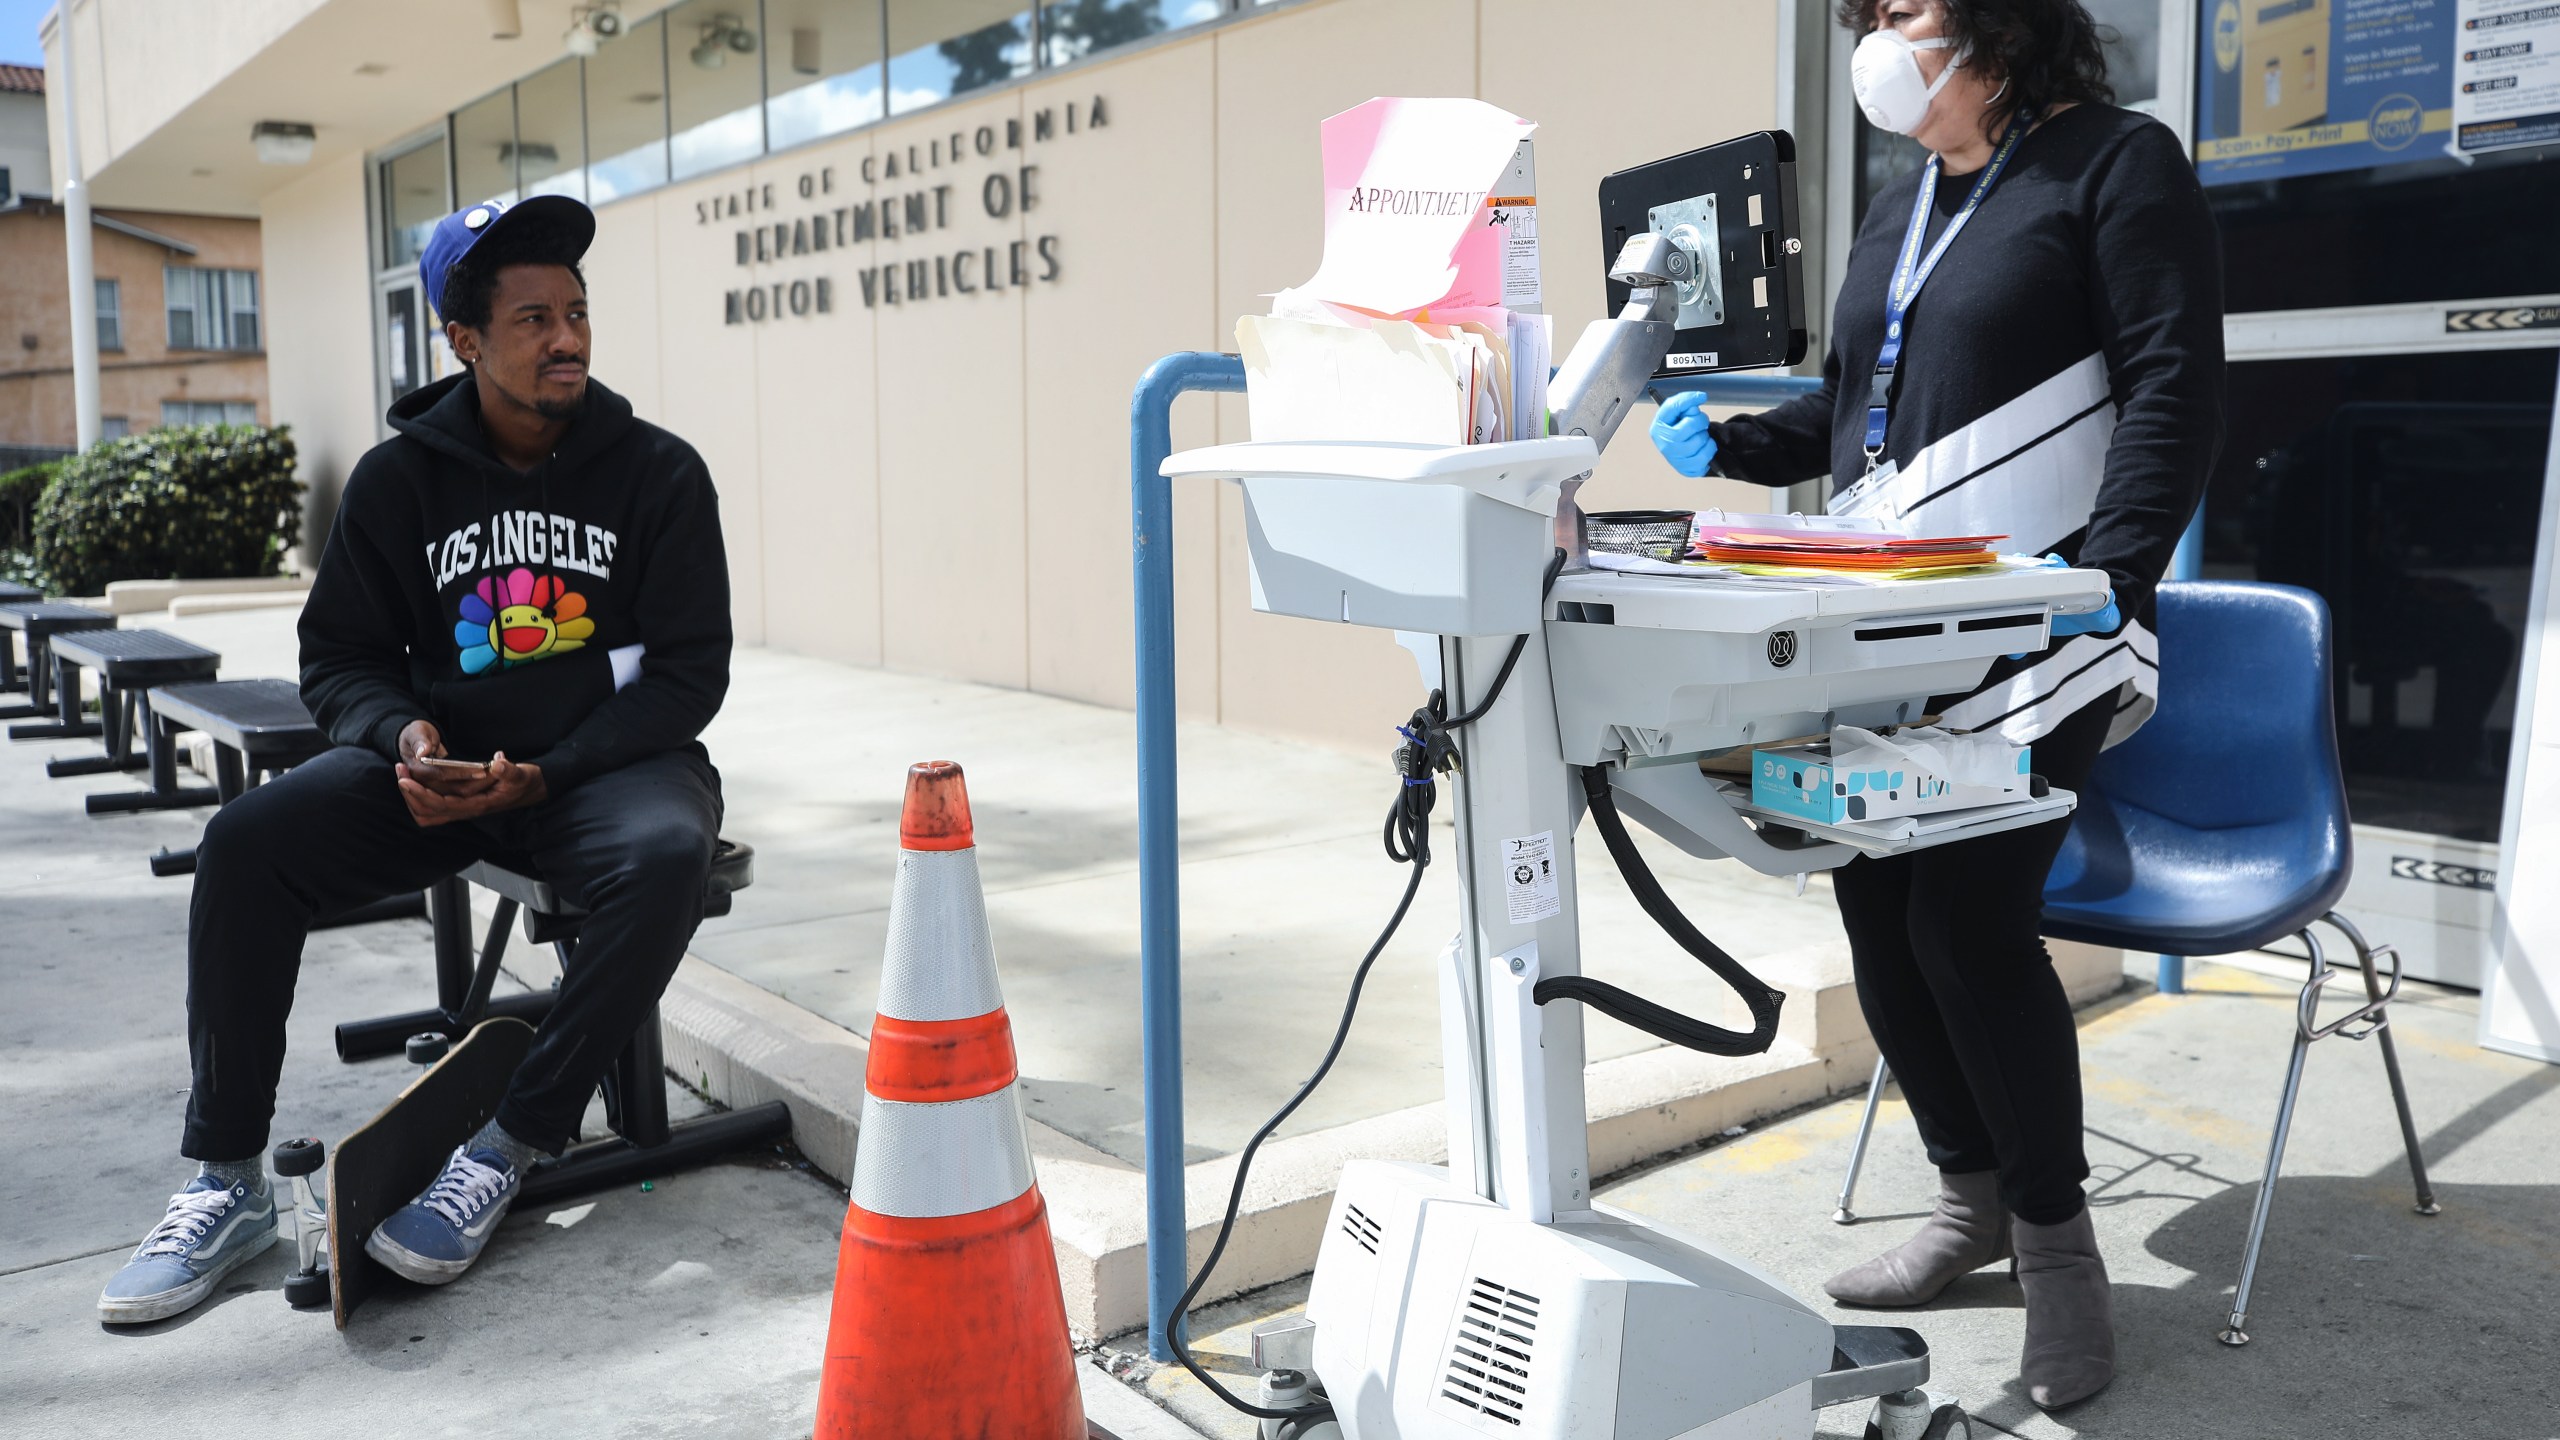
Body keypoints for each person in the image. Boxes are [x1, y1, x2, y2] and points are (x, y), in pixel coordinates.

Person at [1648, 0, 2223, 1409]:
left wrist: (2117, 573)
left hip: (2050, 627)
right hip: (1895, 635)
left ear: (1999, 20)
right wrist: (1733, 438)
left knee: (1966, 921)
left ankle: (2055, 1254)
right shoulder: (1902, 208)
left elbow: (2173, 379)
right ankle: (1968, 1201)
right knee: (1874, 907)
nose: (1878, 38)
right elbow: (1860, 414)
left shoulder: (2113, 162)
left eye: (1902, 10)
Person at [98, 195, 733, 1324]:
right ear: (464, 340)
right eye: (533, 317)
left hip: (600, 775)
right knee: (245, 843)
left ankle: (511, 1142)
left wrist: (551, 770)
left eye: (576, 313)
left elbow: (688, 677)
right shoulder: (398, 485)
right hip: (440, 783)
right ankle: (227, 1177)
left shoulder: (659, 475)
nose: (567, 337)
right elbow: (337, 658)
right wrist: (406, 740)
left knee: (671, 852)